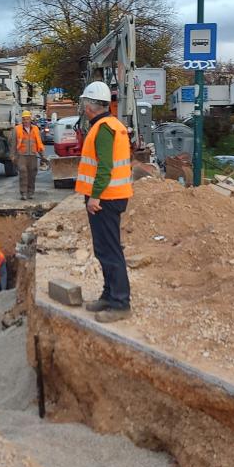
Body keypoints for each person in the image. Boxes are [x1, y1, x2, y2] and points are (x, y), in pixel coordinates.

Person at [75, 81, 133, 323]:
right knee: (104, 249)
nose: (83, 108)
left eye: (84, 104)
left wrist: (95, 196)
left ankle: (120, 303)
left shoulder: (104, 129)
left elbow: (105, 167)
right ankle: (109, 295)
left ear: (90, 106)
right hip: (109, 197)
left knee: (110, 251)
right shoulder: (108, 125)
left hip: (105, 199)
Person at [12, 110, 47, 200]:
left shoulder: (35, 129)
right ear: (22, 120)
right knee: (23, 173)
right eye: (24, 119)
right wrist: (13, 156)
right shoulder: (17, 129)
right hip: (21, 156)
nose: (26, 121)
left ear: (30, 119)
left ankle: (30, 192)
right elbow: (13, 144)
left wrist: (43, 156)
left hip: (33, 156)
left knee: (32, 174)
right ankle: (23, 193)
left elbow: (39, 143)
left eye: (27, 119)